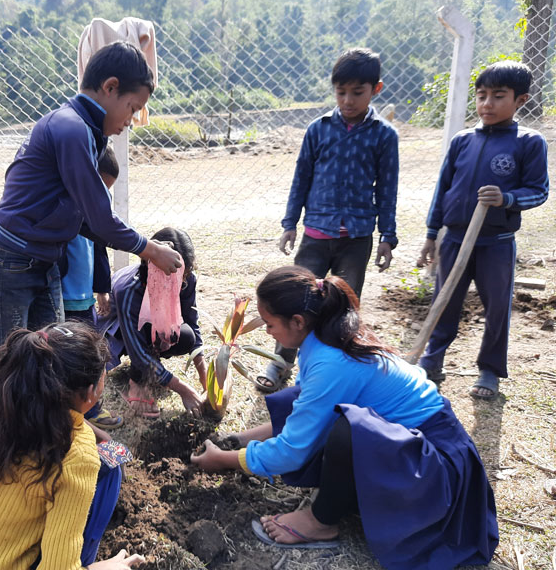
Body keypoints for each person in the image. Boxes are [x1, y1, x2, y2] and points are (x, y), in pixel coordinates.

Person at [191, 266, 497, 570]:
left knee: (347, 430)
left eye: (270, 325)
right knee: (299, 399)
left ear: (298, 322)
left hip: (435, 470)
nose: (267, 332)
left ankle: (319, 522)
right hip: (411, 447)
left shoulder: (331, 362)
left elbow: (291, 452)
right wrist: (238, 441)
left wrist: (226, 460)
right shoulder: (330, 335)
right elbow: (306, 411)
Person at [0, 41, 180, 364]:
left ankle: (48, 417)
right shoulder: (71, 129)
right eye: (132, 107)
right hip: (11, 263)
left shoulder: (85, 132)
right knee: (9, 365)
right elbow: (101, 219)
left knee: (51, 359)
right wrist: (151, 251)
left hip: (43, 264)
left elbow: (85, 220)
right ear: (110, 87)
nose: (131, 120)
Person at [0, 322, 144, 570]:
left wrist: (97, 434)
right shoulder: (78, 454)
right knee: (110, 462)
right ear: (91, 392)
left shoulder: (2, 404)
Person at [259, 48, 399, 393]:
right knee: (297, 299)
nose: (348, 100)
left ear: (376, 89)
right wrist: (290, 222)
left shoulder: (384, 135)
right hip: (316, 235)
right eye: (341, 92)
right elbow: (301, 179)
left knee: (344, 304)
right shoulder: (318, 130)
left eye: (357, 92)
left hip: (357, 237)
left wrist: (388, 236)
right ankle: (280, 365)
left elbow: (388, 189)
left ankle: (334, 370)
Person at [417, 60, 549, 399]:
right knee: (444, 301)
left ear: (520, 100)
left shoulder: (528, 142)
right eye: (481, 95)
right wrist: (432, 235)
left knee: (496, 307)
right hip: (455, 240)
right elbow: (443, 189)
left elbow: (539, 190)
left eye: (498, 96)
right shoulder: (462, 140)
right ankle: (432, 360)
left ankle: (489, 369)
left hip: (496, 243)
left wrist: (506, 197)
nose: (486, 104)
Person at [97, 227, 206, 418]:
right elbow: (136, 350)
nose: (178, 283)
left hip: (151, 327)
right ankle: (136, 382)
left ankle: (151, 369)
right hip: (119, 332)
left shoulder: (186, 279)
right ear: (152, 266)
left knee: (185, 337)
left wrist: (205, 378)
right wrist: (182, 389)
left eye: (183, 275)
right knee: (142, 347)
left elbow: (191, 321)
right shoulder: (130, 289)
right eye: (170, 274)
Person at [60, 148, 122, 430]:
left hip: (84, 295)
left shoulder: (100, 200)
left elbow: (100, 244)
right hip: (60, 295)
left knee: (90, 355)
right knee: (62, 357)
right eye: (99, 187)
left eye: (107, 190)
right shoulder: (64, 198)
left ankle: (92, 409)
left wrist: (102, 288)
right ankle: (65, 414)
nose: (102, 195)